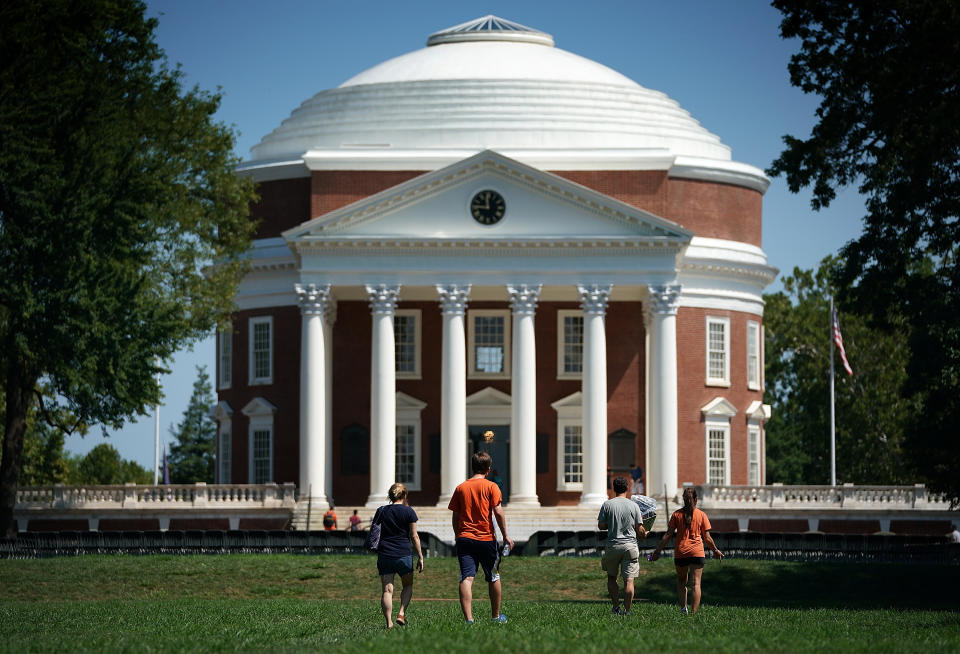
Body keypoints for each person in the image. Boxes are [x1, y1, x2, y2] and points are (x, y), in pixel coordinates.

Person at [448, 449, 514, 624]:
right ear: (488, 469)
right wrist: (506, 535)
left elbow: (455, 515)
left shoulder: (460, 488)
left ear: (472, 467)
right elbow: (498, 512)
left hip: (465, 538)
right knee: (493, 576)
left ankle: (469, 619)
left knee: (467, 578)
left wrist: (457, 535)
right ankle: (495, 616)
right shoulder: (492, 487)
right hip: (486, 539)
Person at [650, 486, 723, 614]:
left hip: (681, 552)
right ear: (696, 499)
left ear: (683, 499)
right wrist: (715, 550)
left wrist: (657, 552)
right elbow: (707, 538)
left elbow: (668, 535)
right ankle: (694, 613)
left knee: (681, 581)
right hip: (697, 552)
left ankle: (684, 608)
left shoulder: (676, 514)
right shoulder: (701, 515)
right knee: (696, 584)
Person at [373, 482, 424, 629]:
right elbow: (414, 536)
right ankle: (401, 613)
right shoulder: (409, 512)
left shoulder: (381, 511)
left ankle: (388, 623)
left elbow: (375, 531)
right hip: (403, 554)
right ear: (404, 495)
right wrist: (420, 556)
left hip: (385, 554)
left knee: (387, 590)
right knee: (407, 585)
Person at [597, 476, 647, 616]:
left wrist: (611, 524)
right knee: (629, 580)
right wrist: (644, 533)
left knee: (612, 578)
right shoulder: (634, 506)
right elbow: (640, 529)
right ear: (627, 488)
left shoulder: (607, 504)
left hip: (613, 545)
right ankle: (628, 610)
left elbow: (601, 526)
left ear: (613, 488)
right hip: (630, 546)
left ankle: (615, 607)